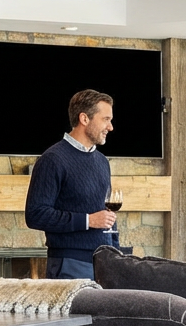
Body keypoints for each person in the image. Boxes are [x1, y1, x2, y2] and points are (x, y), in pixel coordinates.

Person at [24, 89, 117, 280]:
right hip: (69, 265)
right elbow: (35, 215)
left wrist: (116, 255)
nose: (110, 127)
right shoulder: (52, 159)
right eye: (105, 119)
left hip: (104, 264)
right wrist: (88, 221)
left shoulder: (102, 161)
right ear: (84, 119)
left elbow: (105, 214)